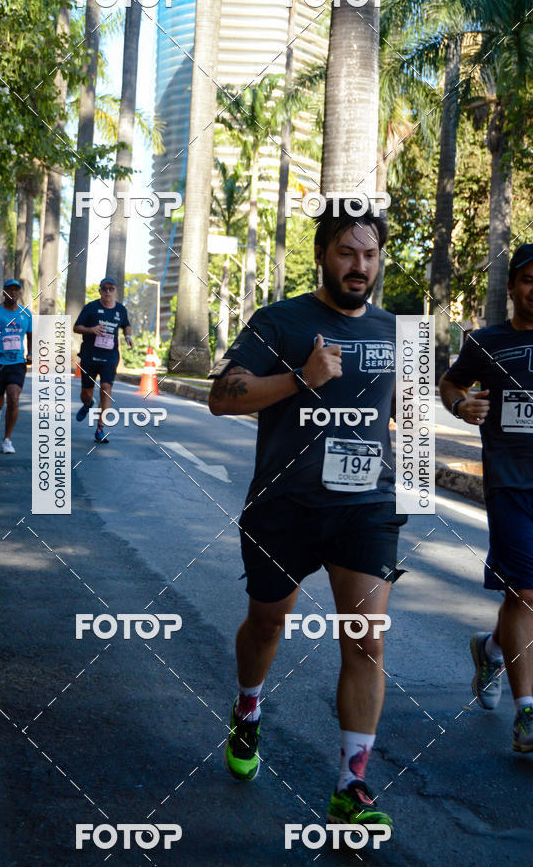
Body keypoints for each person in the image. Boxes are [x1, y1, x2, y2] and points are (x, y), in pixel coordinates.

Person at [208, 200, 406, 830]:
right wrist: (301, 378)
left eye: (369, 254)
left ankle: (351, 786)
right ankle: (248, 707)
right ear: (323, 254)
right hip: (284, 508)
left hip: (366, 508)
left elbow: (404, 416)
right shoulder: (280, 321)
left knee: (367, 640)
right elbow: (220, 397)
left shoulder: (398, 332)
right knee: (267, 625)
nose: (359, 266)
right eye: (346, 252)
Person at [440, 243, 533, 753]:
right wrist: (460, 404)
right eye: (529, 279)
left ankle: (492, 649)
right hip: (511, 481)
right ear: (514, 286)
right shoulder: (489, 341)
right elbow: (450, 381)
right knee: (524, 592)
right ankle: (528, 716)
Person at [73, 277, 133, 443]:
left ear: (115, 291)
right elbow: (76, 327)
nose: (107, 292)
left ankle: (100, 428)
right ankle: (87, 404)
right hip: (89, 356)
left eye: (111, 289)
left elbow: (126, 324)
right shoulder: (91, 307)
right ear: (100, 291)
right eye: (104, 289)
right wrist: (91, 329)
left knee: (106, 389)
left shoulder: (121, 310)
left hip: (110, 357)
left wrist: (127, 335)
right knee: (87, 393)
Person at [0, 280, 32, 454]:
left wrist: (31, 353)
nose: (13, 293)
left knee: (14, 398)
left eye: (16, 290)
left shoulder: (26, 314)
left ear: (20, 293)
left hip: (17, 363)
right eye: (9, 290)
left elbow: (31, 335)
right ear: (4, 292)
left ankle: (7, 439)